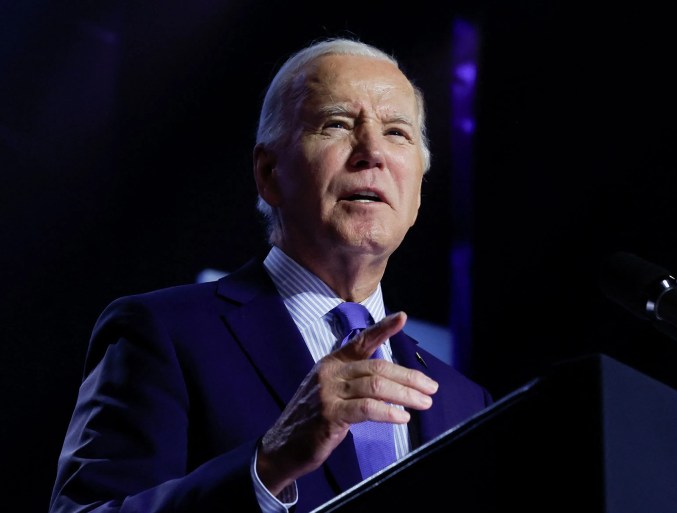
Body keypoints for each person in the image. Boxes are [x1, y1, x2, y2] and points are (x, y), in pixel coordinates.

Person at [49, 36, 494, 513]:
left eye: (397, 133)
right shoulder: (162, 333)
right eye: (337, 123)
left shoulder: (465, 402)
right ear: (268, 173)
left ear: (418, 193)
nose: (372, 152)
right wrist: (268, 465)